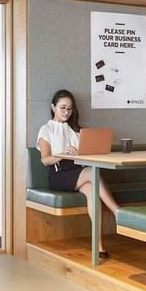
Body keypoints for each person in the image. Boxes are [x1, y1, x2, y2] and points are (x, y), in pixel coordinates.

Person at [37, 89, 119, 258]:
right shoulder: (46, 130)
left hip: (77, 171)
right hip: (59, 174)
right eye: (62, 108)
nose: (66, 112)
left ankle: (99, 246)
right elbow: (45, 160)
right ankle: (118, 212)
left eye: (69, 108)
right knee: (91, 173)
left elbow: (86, 152)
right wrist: (63, 154)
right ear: (53, 107)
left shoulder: (76, 130)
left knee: (92, 191)